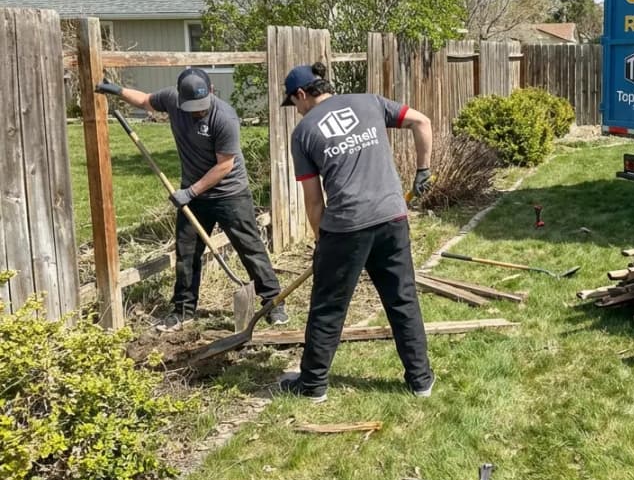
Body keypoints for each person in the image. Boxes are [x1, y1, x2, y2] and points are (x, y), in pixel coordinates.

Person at [278, 62, 435, 403]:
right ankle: (421, 382)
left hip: (346, 227)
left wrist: (323, 243)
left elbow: (313, 200)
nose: (297, 110)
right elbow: (421, 121)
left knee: (328, 307)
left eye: (294, 103)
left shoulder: (304, 133)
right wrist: (423, 170)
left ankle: (313, 385)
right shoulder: (370, 102)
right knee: (402, 299)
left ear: (302, 94)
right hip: (392, 218)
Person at [95, 69, 285, 331]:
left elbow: (225, 165)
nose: (197, 111)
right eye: (192, 107)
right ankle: (183, 310)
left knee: (249, 247)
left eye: (201, 106)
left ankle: (274, 303)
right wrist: (116, 90)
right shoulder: (173, 100)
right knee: (186, 253)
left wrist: (190, 192)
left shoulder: (224, 117)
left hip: (229, 193)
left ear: (212, 91)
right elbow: (145, 101)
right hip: (194, 196)